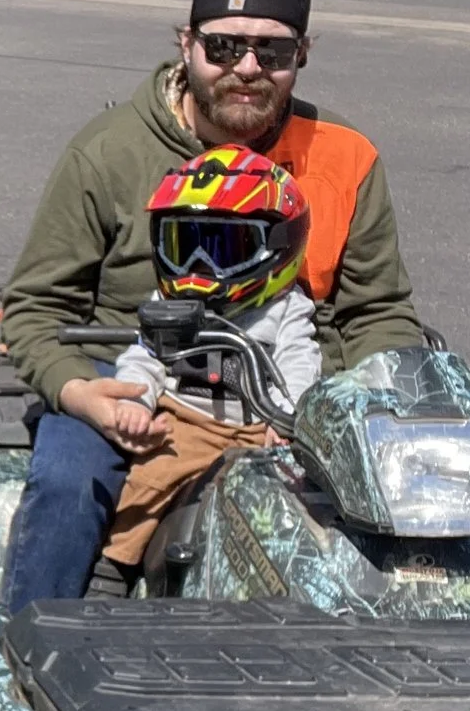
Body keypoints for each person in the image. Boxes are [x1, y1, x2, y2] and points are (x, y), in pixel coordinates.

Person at [0, 0, 424, 612]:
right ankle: (31, 654)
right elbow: (33, 308)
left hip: (295, 392)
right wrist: (80, 393)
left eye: (271, 52)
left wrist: (382, 404)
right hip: (141, 380)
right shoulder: (109, 151)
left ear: (301, 55)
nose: (246, 68)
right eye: (223, 47)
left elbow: (378, 312)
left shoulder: (346, 156)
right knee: (67, 482)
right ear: (186, 44)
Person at [97, 146, 323, 569]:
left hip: (259, 429)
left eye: (223, 246)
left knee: (301, 507)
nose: (201, 264)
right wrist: (134, 402)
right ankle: (112, 573)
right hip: (185, 425)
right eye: (186, 245)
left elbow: (300, 362)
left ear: (279, 246)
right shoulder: (168, 302)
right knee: (141, 488)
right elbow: (143, 356)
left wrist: (288, 418)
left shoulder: (286, 307)